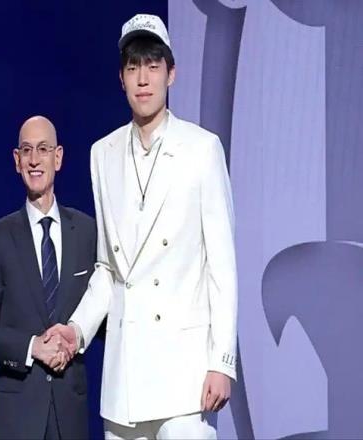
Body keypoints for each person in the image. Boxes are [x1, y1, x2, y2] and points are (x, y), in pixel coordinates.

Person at [45, 14, 238, 439]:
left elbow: (221, 267)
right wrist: (77, 329)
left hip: (186, 374)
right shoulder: (103, 153)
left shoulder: (202, 150)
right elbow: (108, 269)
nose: (143, 79)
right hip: (126, 378)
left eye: (153, 66)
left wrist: (221, 362)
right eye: (133, 67)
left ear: (172, 73)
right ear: (121, 78)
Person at [0, 116, 96, 439]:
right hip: (18, 415)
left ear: (58, 157)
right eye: (27, 150)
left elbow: (104, 315)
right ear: (17, 160)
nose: (35, 159)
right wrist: (32, 347)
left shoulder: (86, 232)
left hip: (70, 414)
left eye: (43, 149)